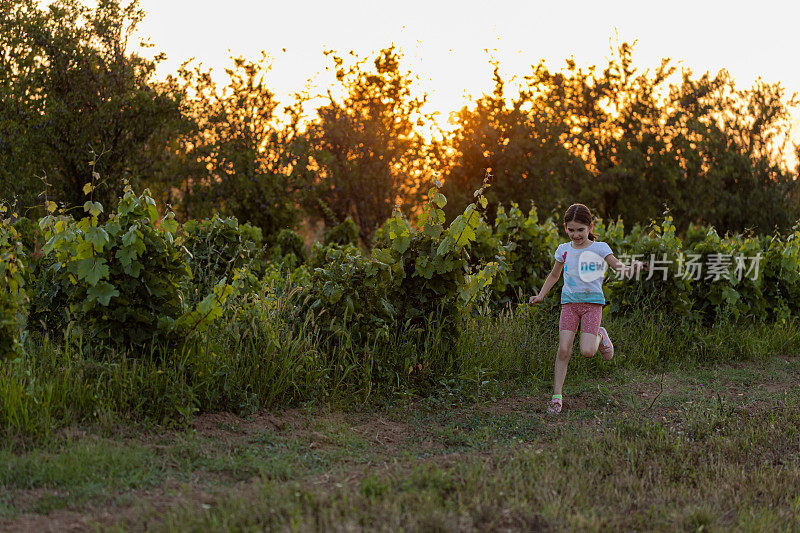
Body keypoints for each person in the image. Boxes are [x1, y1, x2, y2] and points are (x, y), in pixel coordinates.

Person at [529, 203, 645, 414]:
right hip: (569, 305)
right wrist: (541, 295)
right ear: (565, 227)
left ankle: (600, 334)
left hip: (592, 306)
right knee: (564, 349)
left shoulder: (600, 248)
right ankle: (556, 397)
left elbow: (619, 268)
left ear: (590, 227)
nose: (576, 235)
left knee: (587, 352)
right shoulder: (563, 250)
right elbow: (554, 275)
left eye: (580, 230)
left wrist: (632, 268)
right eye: (571, 230)